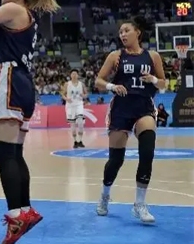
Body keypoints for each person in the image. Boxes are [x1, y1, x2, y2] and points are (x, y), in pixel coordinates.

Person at [0, 0, 60, 244]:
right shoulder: (26, 16)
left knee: (3, 152)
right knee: (15, 152)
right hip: (24, 83)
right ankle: (25, 209)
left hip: (9, 78)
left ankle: (16, 216)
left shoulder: (14, 9)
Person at [94, 16, 165, 224]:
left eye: (126, 30)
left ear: (137, 32)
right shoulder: (116, 56)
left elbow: (163, 84)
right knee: (116, 160)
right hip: (121, 109)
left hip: (144, 108)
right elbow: (98, 81)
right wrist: (112, 86)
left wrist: (153, 79)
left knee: (147, 153)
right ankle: (105, 195)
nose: (122, 34)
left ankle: (139, 204)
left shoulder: (152, 56)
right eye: (120, 32)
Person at [61, 69, 88, 148]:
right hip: (70, 106)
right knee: (72, 125)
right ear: (70, 75)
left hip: (79, 104)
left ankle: (80, 140)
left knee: (80, 122)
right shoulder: (67, 84)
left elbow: (86, 93)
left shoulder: (81, 84)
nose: (74, 75)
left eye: (75, 74)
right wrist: (66, 99)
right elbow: (63, 94)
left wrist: (84, 96)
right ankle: (75, 141)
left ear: (78, 75)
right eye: (72, 74)